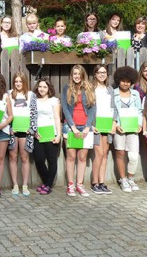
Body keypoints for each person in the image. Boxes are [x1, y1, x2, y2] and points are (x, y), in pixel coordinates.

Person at [62, 65, 96, 197]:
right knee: (71, 157)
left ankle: (80, 185)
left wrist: (88, 127)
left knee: (82, 157)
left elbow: (93, 108)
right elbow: (65, 109)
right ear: (72, 75)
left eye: (79, 74)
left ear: (83, 75)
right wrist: (73, 127)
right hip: (70, 127)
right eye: (74, 74)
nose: (76, 76)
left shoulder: (89, 88)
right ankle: (70, 185)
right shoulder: (67, 88)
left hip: (86, 128)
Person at [112, 66, 143, 193]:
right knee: (120, 153)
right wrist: (116, 125)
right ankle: (123, 179)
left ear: (132, 82)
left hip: (133, 128)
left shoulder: (135, 94)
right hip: (119, 128)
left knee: (133, 156)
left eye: (128, 81)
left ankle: (131, 178)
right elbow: (112, 111)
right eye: (123, 80)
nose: (125, 83)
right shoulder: (113, 93)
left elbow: (140, 111)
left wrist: (139, 124)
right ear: (118, 80)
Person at [7, 72, 36, 197]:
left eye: (20, 81)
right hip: (13, 131)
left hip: (26, 132)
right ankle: (15, 185)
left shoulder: (31, 95)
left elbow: (34, 113)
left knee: (24, 158)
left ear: (25, 82)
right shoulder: (8, 94)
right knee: (13, 157)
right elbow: (5, 113)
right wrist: (9, 128)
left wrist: (31, 129)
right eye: (16, 81)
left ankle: (24, 185)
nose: (18, 84)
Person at [32, 78, 62, 195]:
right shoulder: (34, 101)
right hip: (39, 134)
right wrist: (34, 132)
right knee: (38, 159)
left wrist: (58, 135)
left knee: (51, 160)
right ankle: (46, 182)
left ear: (49, 88)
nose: (42, 89)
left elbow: (57, 118)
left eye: (44, 87)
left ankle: (47, 185)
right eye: (40, 87)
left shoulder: (54, 101)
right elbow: (32, 117)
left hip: (51, 133)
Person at [90, 64, 115, 195]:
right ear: (95, 74)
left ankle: (102, 182)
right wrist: (90, 125)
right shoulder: (91, 89)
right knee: (98, 154)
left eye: (104, 72)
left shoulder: (110, 89)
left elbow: (114, 107)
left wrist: (114, 123)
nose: (102, 74)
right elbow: (87, 108)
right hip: (96, 126)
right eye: (99, 72)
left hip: (107, 125)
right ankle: (94, 182)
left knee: (105, 154)